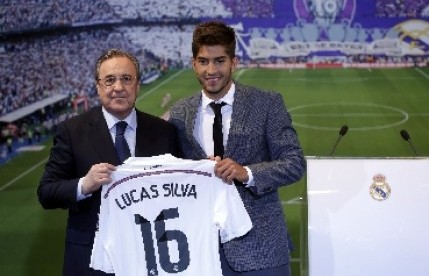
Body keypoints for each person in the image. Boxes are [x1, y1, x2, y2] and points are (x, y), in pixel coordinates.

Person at [168, 21, 306, 276]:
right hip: (202, 250)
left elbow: (295, 163)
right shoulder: (179, 112)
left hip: (261, 248)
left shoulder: (266, 103)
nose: (211, 70)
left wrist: (247, 173)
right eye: (203, 61)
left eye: (219, 61)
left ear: (234, 62)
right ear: (193, 63)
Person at [37, 48, 180, 276]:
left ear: (137, 84)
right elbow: (46, 192)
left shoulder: (164, 132)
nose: (118, 88)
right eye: (109, 80)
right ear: (98, 86)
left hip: (150, 257)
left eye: (126, 79)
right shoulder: (73, 131)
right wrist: (84, 184)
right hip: (91, 260)